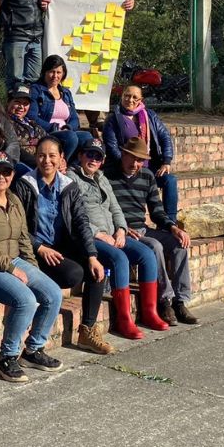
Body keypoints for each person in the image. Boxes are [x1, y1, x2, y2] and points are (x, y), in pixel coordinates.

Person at [11, 136, 112, 354]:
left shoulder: (69, 186)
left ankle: (87, 330)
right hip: (35, 250)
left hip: (60, 246)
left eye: (52, 155)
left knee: (97, 270)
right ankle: (41, 285)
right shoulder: (24, 185)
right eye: (41, 155)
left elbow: (81, 221)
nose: (46, 160)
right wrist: (39, 247)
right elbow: (17, 227)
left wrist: (92, 255)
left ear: (61, 158)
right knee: (73, 274)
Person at [66, 139, 170, 338]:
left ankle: (150, 312)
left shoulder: (102, 178)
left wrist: (121, 229)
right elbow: (73, 216)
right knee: (119, 259)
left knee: (147, 254)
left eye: (98, 156)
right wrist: (98, 233)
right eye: (89, 154)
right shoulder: (71, 179)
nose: (93, 160)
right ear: (80, 156)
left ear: (102, 161)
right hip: (89, 237)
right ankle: (124, 320)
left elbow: (115, 208)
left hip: (112, 234)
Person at [0, 151, 64, 382]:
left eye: (6, 172)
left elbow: (24, 239)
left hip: (16, 260)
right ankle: (7, 358)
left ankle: (33, 350)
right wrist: (11, 268)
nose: (1, 176)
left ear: (12, 175)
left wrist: (32, 269)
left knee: (52, 293)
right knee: (25, 300)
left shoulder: (14, 200)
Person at [49, 0, 136, 137]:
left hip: (95, 36)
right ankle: (67, 119)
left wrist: (127, 3)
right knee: (66, 72)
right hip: (66, 36)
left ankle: (96, 123)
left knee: (93, 74)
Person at [105, 138, 199, 325]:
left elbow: (156, 210)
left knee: (179, 244)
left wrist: (173, 228)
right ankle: (164, 301)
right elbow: (104, 210)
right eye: (132, 158)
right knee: (154, 246)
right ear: (123, 155)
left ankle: (180, 301)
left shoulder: (147, 176)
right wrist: (120, 227)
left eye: (140, 160)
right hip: (123, 231)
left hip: (143, 228)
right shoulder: (108, 176)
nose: (135, 164)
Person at [103, 85, 180, 223]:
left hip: (149, 167)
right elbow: (112, 147)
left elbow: (164, 137)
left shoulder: (149, 116)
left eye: (134, 97)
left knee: (170, 180)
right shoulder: (114, 119)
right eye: (127, 95)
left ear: (141, 100)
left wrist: (166, 160)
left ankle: (170, 223)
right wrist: (128, 164)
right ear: (122, 96)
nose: (130, 99)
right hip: (126, 167)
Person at [29, 55, 94, 160]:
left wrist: (69, 127)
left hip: (66, 131)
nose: (55, 76)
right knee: (70, 137)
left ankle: (72, 168)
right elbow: (32, 117)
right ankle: (60, 166)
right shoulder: (36, 90)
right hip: (46, 132)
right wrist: (52, 127)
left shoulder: (66, 93)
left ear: (63, 74)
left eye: (58, 72)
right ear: (44, 72)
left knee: (87, 137)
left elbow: (74, 118)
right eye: (51, 71)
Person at [5, 86, 44, 170]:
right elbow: (15, 149)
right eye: (17, 102)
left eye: (25, 104)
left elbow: (47, 139)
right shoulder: (4, 122)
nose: (21, 107)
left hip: (42, 161)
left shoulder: (31, 123)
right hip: (21, 163)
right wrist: (39, 163)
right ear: (8, 102)